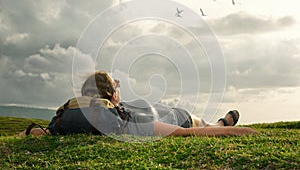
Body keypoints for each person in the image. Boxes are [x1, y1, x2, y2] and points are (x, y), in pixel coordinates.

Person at [19, 71, 256, 137]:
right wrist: (240, 131)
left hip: (144, 108)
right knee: (204, 124)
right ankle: (219, 122)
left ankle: (218, 121)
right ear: (112, 97)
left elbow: (33, 133)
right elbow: (185, 133)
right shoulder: (121, 120)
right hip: (176, 116)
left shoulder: (63, 118)